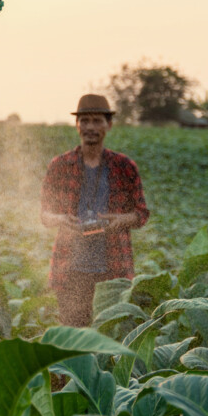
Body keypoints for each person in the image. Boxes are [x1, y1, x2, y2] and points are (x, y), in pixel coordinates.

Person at [39, 94, 149, 327]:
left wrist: (119, 220)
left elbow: (141, 213)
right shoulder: (60, 165)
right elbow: (45, 214)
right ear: (77, 125)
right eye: (85, 120)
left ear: (108, 125)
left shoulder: (124, 166)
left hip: (112, 269)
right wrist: (60, 218)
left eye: (97, 121)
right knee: (74, 335)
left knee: (107, 335)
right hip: (72, 269)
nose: (90, 127)